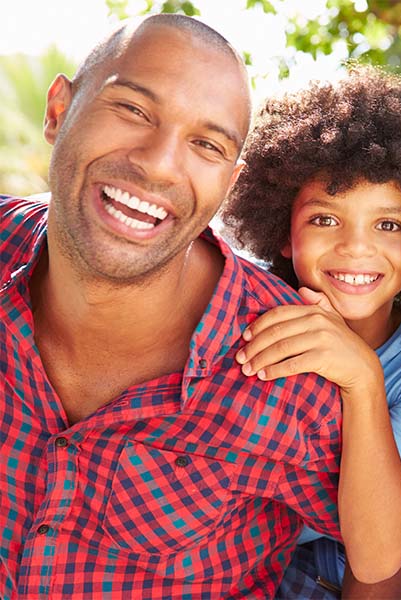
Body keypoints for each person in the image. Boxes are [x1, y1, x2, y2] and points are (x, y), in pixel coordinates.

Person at [0, 15, 344, 599]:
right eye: (133, 109)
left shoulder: (293, 371)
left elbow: (377, 557)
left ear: (227, 186)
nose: (158, 163)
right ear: (59, 110)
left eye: (206, 145)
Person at [222, 67, 401, 598]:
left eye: (388, 224)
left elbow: (381, 556)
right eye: (325, 220)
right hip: (217, 542)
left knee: (395, 541)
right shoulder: (245, 307)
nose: (357, 248)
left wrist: (363, 378)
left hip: (327, 556)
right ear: (283, 231)